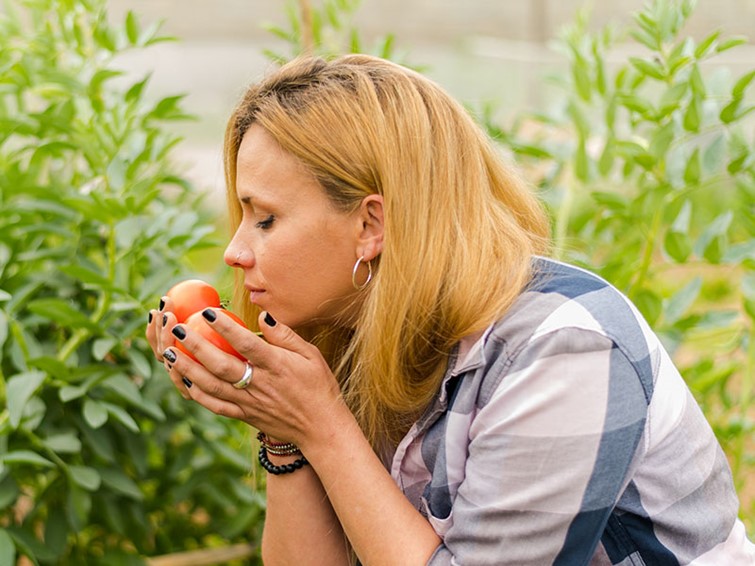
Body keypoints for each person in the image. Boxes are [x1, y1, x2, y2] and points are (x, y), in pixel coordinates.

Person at [146, 54, 755, 565]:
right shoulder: (351, 334)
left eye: (267, 218)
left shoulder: (565, 350)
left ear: (370, 225)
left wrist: (322, 425)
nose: (234, 251)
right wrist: (286, 430)